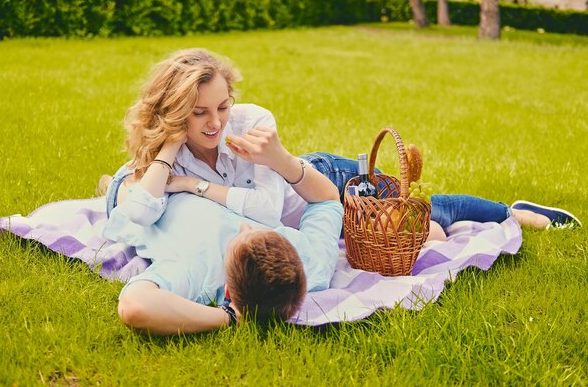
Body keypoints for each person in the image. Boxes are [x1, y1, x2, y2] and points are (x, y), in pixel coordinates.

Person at [101, 48, 581, 235]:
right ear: (173, 112)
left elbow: (268, 210)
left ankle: (510, 212)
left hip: (323, 179)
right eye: (198, 113)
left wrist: (194, 186)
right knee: (413, 229)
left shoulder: (251, 121)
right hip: (313, 219)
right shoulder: (173, 154)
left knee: (425, 211)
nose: (214, 124)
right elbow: (142, 210)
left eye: (221, 107)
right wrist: (167, 149)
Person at [105, 132, 344, 334]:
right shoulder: (312, 263)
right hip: (186, 179)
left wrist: (228, 317)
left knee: (111, 183)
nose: (245, 225)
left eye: (239, 238)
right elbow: (329, 199)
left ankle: (105, 184)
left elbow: (134, 306)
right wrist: (282, 159)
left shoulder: (196, 272)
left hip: (136, 192)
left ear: (228, 290)